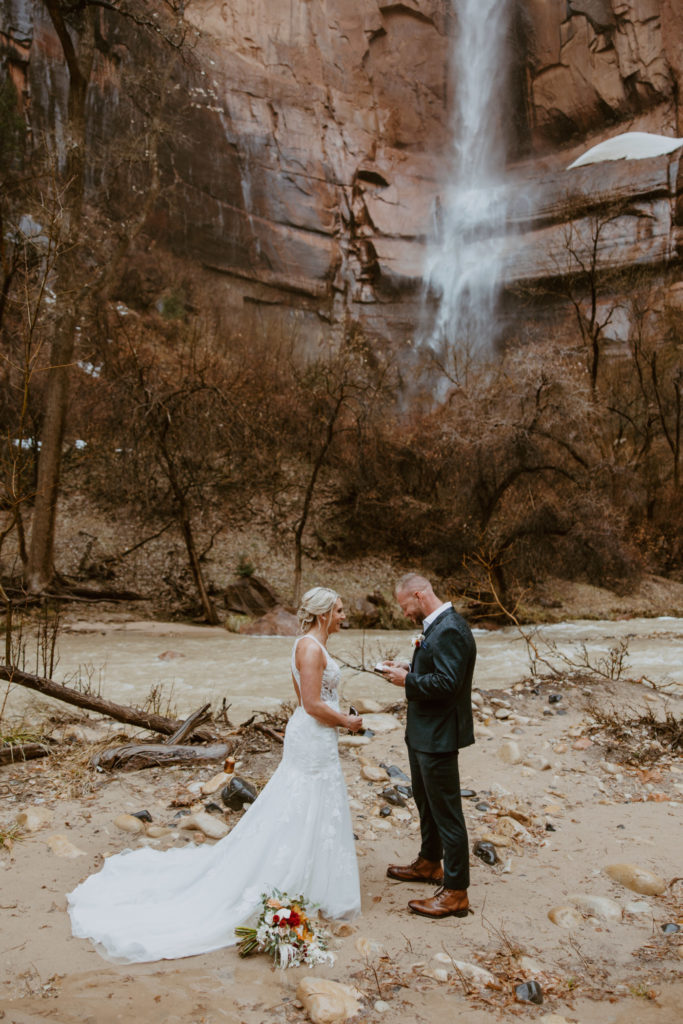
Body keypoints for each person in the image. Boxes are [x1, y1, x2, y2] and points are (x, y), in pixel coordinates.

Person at [67, 587, 363, 962]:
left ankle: (315, 881)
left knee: (314, 805)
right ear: (322, 614)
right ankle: (289, 876)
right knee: (300, 803)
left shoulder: (310, 645)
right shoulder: (309, 648)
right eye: (338, 610)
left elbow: (312, 702)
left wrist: (335, 721)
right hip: (313, 737)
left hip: (316, 738)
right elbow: (310, 703)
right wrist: (348, 722)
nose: (342, 616)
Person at [381, 573, 476, 919]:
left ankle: (455, 891)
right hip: (423, 733)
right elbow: (437, 668)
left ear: (419, 596)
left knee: (447, 813)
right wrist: (410, 666)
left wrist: (407, 680)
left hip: (438, 736)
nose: (404, 613)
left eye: (405, 605)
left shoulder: (450, 628)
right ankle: (429, 862)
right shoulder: (437, 626)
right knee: (426, 802)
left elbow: (448, 684)